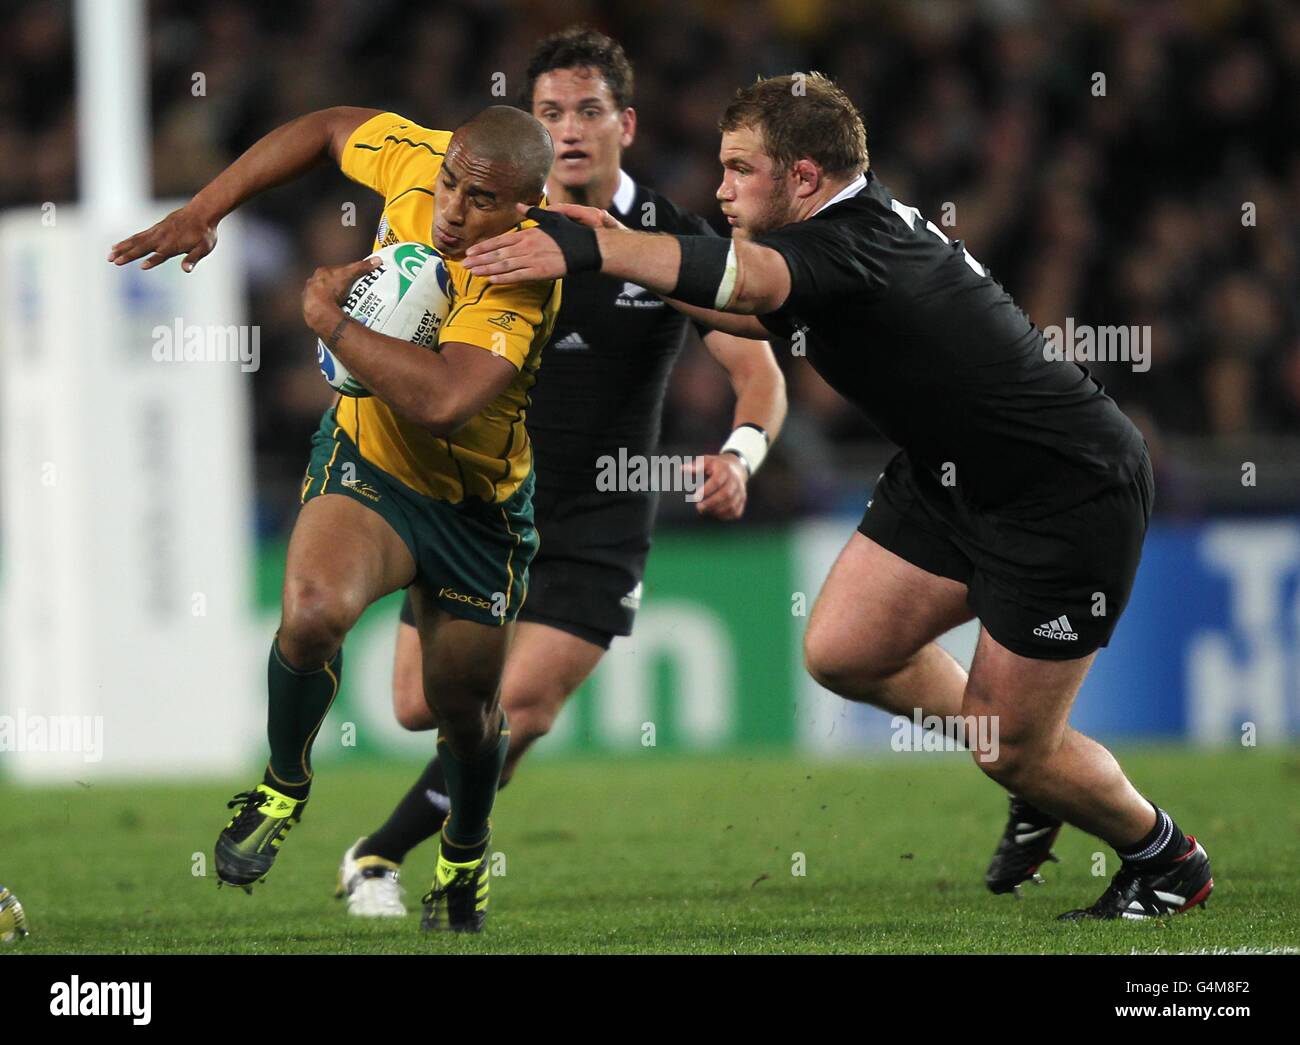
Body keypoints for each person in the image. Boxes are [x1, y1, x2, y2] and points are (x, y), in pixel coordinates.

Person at [463, 72, 1213, 921]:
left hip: (1063, 491)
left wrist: (598, 248)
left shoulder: (848, 243)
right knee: (846, 649)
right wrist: (616, 241)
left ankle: (1164, 859)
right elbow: (753, 308)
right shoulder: (833, 237)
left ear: (805, 176)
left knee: (1011, 747)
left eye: (741, 168)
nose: (722, 188)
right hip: (948, 475)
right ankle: (1033, 762)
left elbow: (745, 282)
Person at [338, 27, 786, 918]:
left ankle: (389, 857)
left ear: (624, 121)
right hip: (480, 508)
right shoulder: (486, 220)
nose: (570, 129)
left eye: (587, 111)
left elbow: (759, 366)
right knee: (416, 707)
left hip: (599, 523)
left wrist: (742, 455)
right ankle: (403, 848)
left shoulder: (662, 239)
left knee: (524, 702)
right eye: (550, 113)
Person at [109, 104, 561, 933]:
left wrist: (333, 325)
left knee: (459, 710)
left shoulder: (526, 273)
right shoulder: (422, 163)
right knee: (312, 613)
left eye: (481, 199)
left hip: (475, 514)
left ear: (525, 207)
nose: (453, 209)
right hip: (369, 466)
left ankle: (464, 851)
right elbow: (322, 128)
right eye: (450, 184)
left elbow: (445, 400)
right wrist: (206, 207)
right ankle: (284, 782)